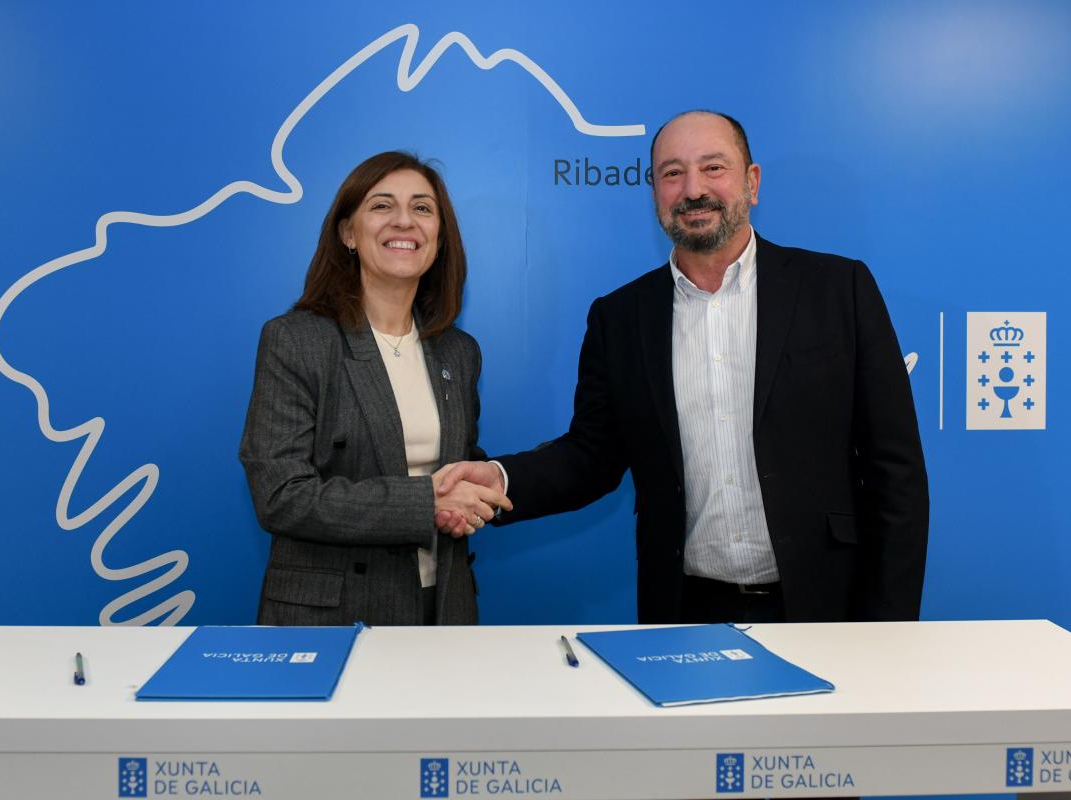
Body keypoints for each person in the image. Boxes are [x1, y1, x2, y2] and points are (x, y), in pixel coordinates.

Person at [437, 111, 929, 625]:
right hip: (683, 611)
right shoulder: (620, 318)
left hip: (826, 608)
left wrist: (888, 627)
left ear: (752, 182)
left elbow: (896, 472)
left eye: (713, 167)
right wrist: (499, 479)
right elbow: (591, 457)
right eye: (672, 173)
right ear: (654, 192)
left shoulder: (839, 289)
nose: (693, 190)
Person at [240, 151, 510, 627]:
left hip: (443, 608)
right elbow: (281, 495)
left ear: (439, 238)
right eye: (382, 205)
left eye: (422, 208)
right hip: (333, 617)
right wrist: (427, 503)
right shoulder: (296, 340)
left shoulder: (459, 352)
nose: (404, 221)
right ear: (348, 233)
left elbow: (457, 467)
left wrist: (469, 496)